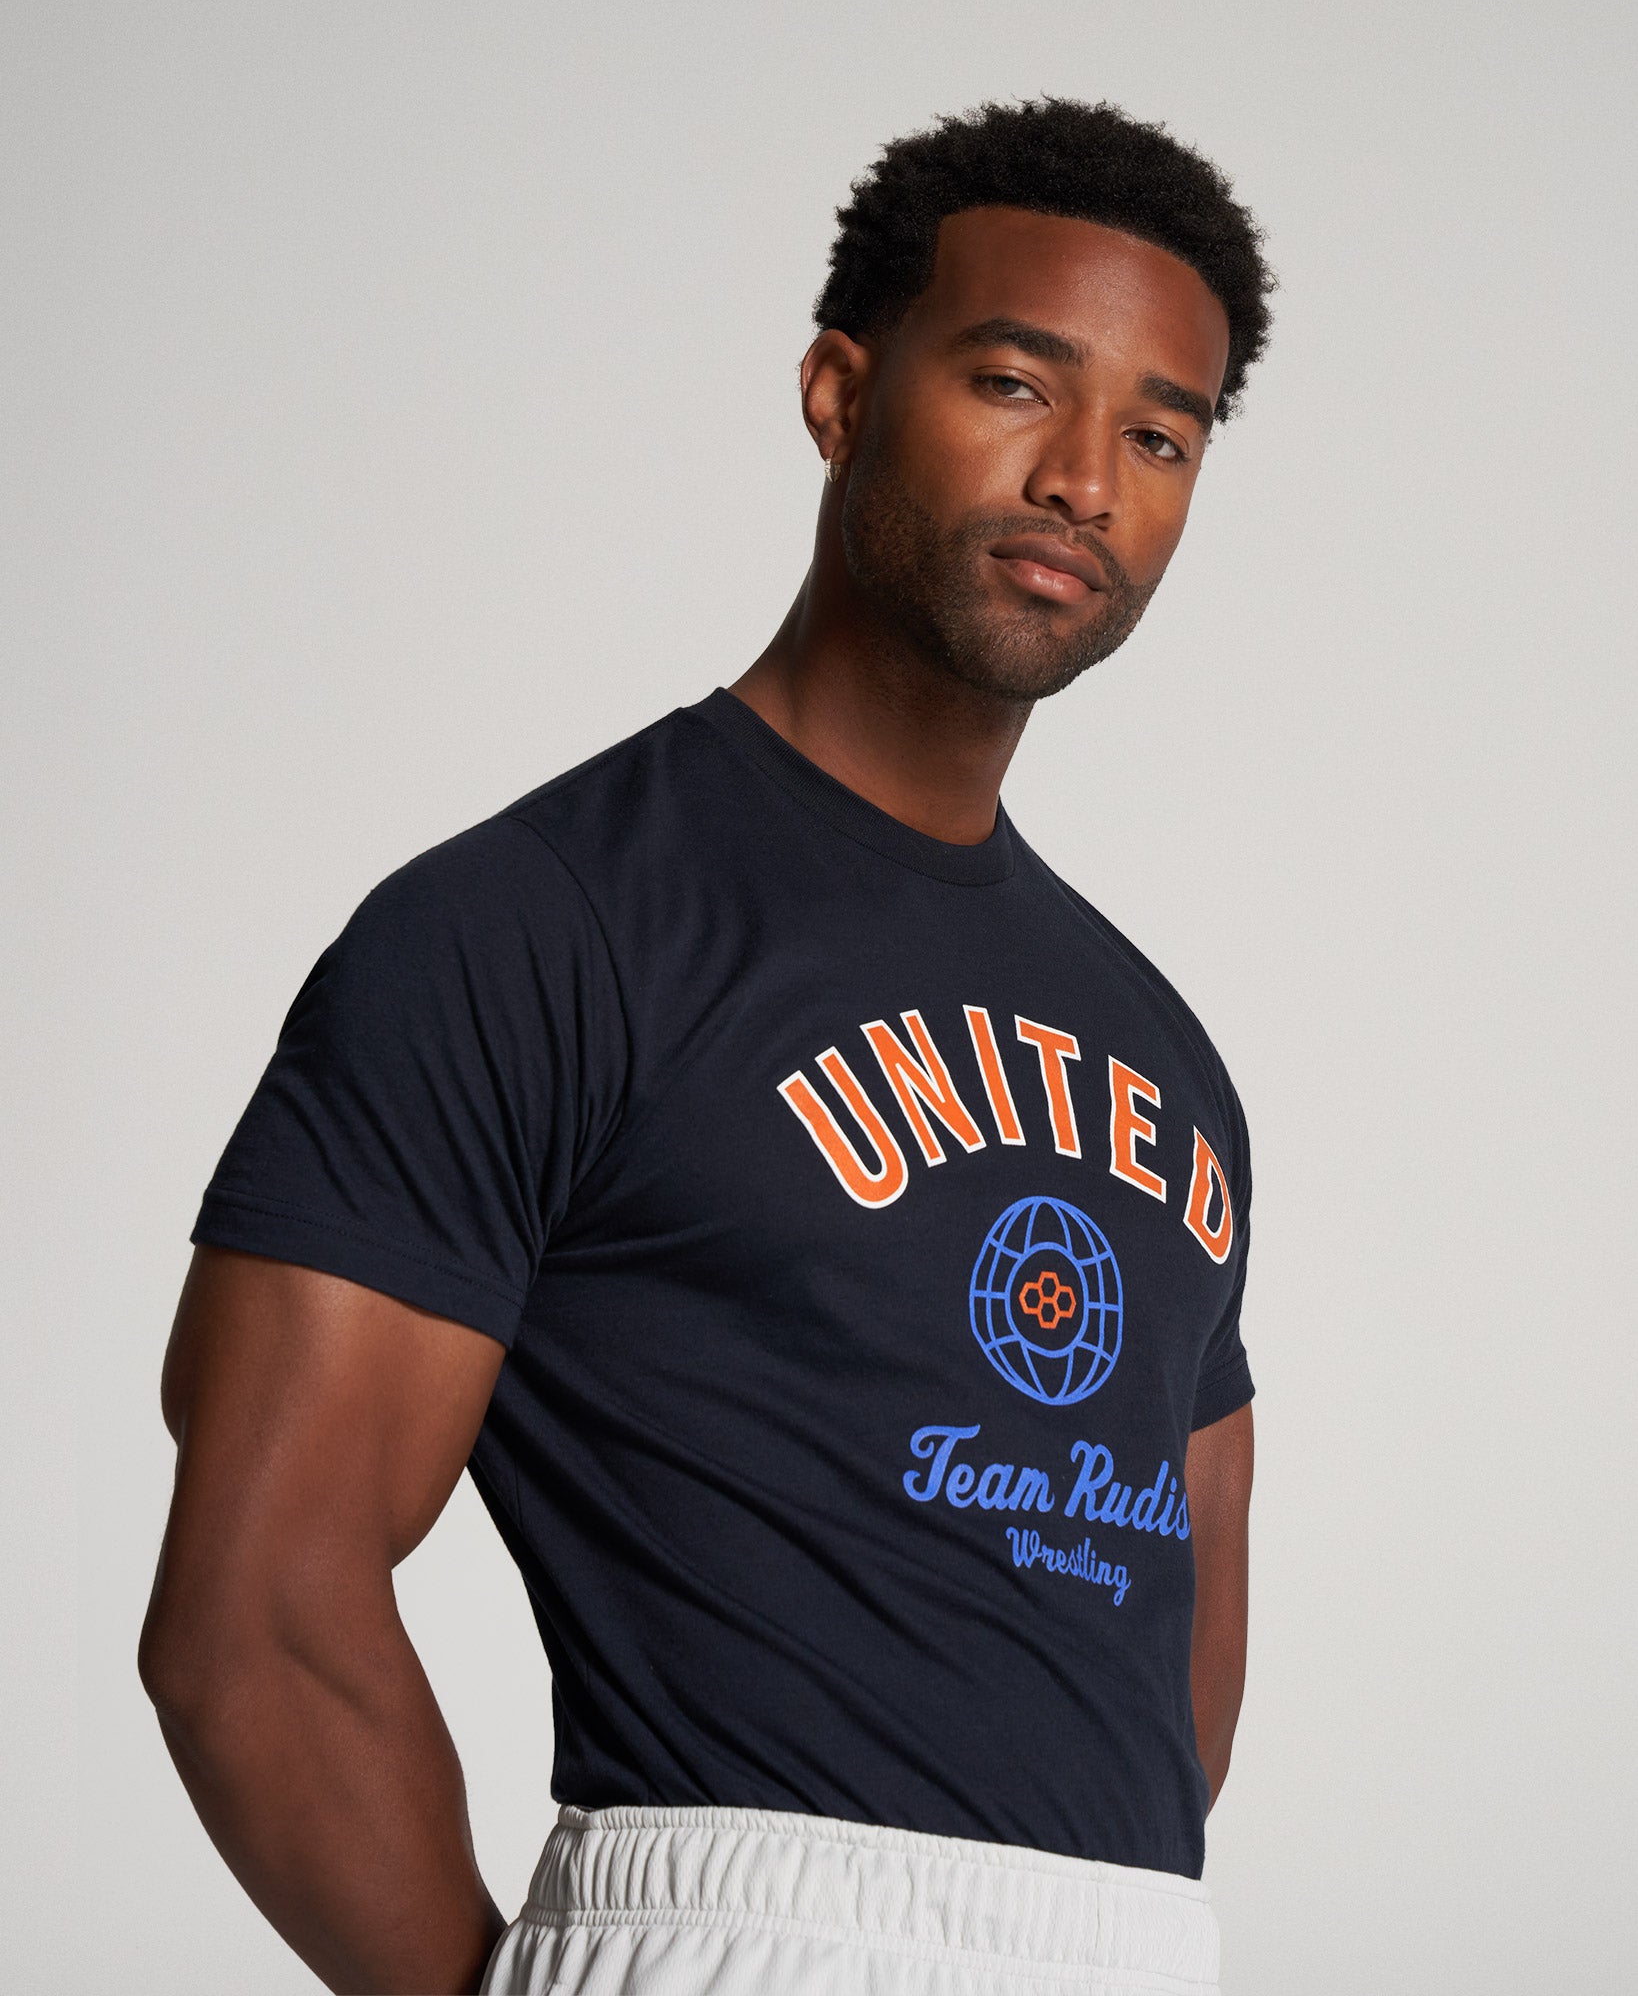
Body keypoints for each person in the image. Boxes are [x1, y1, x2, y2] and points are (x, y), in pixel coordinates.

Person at [139, 96, 1273, 1996]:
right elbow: (256, 1611)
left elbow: (1167, 1632)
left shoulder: (1159, 1049)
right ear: (839, 390)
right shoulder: (532, 928)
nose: (1086, 477)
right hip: (745, 1925)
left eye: (1160, 434)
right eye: (1016, 382)